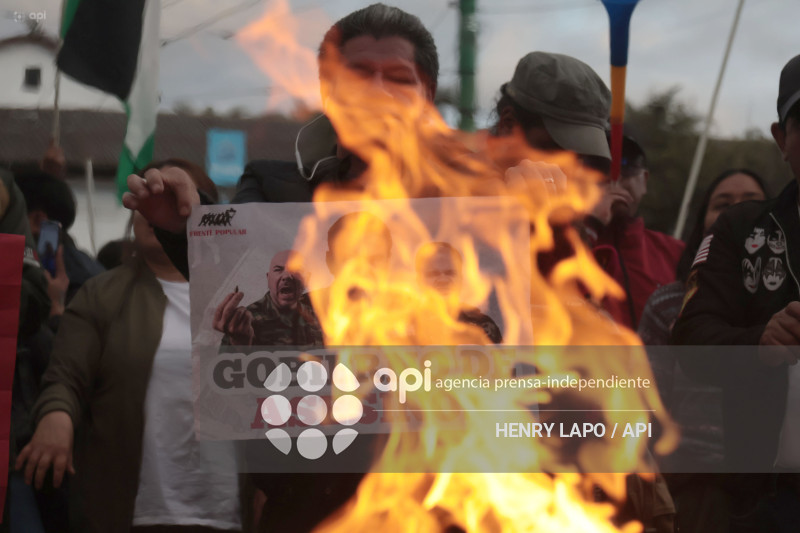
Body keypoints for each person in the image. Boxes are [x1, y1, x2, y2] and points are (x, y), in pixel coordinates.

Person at [123, 3, 441, 280]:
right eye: (358, 76)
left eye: (398, 77)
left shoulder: (477, 200)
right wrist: (186, 226)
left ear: (427, 97)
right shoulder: (270, 189)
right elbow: (228, 273)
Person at [15, 159, 245, 533]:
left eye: (174, 199)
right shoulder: (101, 295)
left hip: (229, 513)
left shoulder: (246, 293)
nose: (160, 210)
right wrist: (56, 416)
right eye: (149, 198)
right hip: (131, 513)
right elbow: (65, 378)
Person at [672, 54, 800, 530]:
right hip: (763, 498)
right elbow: (689, 339)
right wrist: (759, 343)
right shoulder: (743, 230)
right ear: (781, 140)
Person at [638, 169, 766, 533]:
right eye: (722, 205)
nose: (735, 213)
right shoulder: (668, 304)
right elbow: (644, 409)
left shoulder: (789, 303)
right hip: (693, 488)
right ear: (702, 224)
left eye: (751, 203)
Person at [583, 135, 685, 330]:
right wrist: (592, 223)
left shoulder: (677, 253)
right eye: (601, 169)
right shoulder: (558, 243)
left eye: (627, 169)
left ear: (644, 181)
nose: (614, 179)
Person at [214, 249, 323, 348]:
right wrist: (240, 344)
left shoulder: (320, 316)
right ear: (268, 278)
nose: (286, 276)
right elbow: (226, 366)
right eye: (278, 270)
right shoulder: (245, 321)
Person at [415, 241, 502, 344]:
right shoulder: (404, 327)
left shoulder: (483, 327)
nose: (443, 279)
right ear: (419, 280)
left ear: (461, 278)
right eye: (434, 274)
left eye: (450, 273)